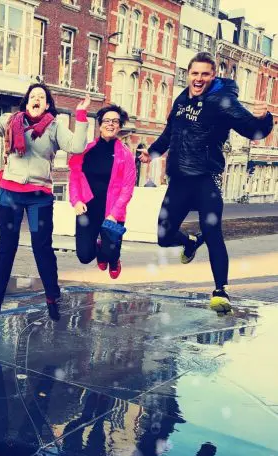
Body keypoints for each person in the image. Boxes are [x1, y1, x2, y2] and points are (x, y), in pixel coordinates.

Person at [138, 52, 273, 313]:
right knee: (164, 237)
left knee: (213, 235)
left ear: (213, 76)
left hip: (205, 180)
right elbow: (170, 133)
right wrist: (152, 153)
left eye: (205, 74)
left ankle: (220, 291)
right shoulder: (181, 99)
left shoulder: (223, 101)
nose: (199, 79)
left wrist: (264, 118)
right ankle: (190, 241)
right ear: (188, 74)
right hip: (179, 180)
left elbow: (252, 130)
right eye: (195, 73)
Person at [0, 71, 90, 321]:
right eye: (32, 97)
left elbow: (77, 146)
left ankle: (52, 297)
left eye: (41, 97)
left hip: (39, 196)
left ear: (47, 105)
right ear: (26, 103)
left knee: (42, 247)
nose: (36, 99)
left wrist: (81, 116)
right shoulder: (11, 121)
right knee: (6, 247)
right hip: (10, 195)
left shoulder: (54, 127)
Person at [69, 105, 136, 279]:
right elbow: (75, 176)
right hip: (87, 210)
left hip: (112, 213)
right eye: (106, 120)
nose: (110, 124)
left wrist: (115, 214)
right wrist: (76, 200)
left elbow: (128, 188)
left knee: (110, 253)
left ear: (119, 126)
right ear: (100, 125)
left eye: (115, 121)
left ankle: (113, 259)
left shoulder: (126, 155)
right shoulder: (87, 150)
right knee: (84, 256)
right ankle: (100, 249)